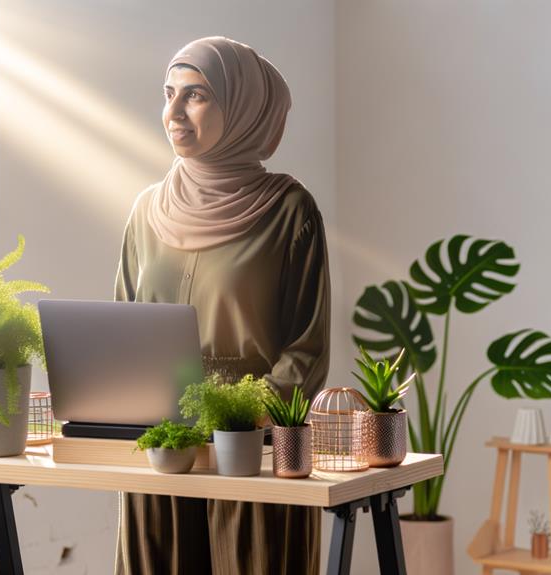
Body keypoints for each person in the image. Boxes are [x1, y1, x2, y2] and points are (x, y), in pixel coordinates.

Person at [113, 36, 330, 575]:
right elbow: (120, 326)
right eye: (169, 94)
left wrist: (239, 419)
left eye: (196, 95)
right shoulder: (146, 211)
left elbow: (306, 348)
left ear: (242, 109)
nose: (174, 112)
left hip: (250, 452)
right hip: (163, 446)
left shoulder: (289, 211)